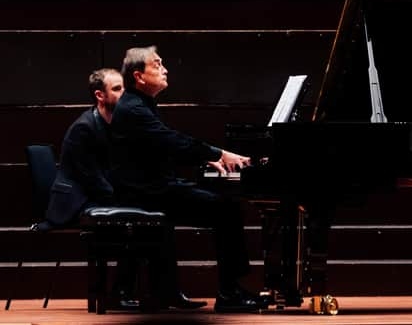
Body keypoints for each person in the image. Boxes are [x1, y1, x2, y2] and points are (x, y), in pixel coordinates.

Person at [110, 46, 264, 313]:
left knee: (222, 205)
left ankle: (172, 292)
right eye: (157, 65)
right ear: (139, 76)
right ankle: (230, 294)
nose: (165, 69)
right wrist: (219, 153)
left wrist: (205, 158)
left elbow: (164, 144)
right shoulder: (134, 108)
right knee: (226, 210)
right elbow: (171, 141)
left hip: (151, 187)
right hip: (146, 192)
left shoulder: (139, 104)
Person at [45, 68, 138, 309]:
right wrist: (126, 198)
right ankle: (119, 294)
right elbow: (92, 179)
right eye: (117, 89)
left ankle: (131, 292)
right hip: (77, 200)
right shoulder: (83, 128)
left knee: (143, 217)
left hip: (96, 194)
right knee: (135, 222)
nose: (124, 93)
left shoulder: (118, 123)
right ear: (100, 95)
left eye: (124, 88)